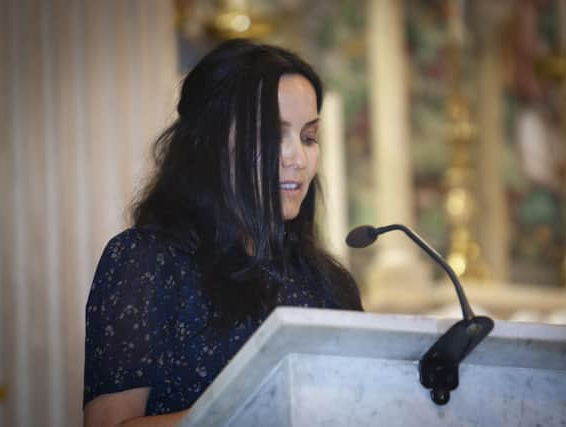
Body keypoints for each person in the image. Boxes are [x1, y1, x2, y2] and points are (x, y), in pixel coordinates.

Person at [83, 39, 363, 426]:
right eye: (272, 135)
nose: (297, 157)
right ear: (212, 145)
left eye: (308, 137)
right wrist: (260, 405)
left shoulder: (330, 284)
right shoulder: (145, 261)